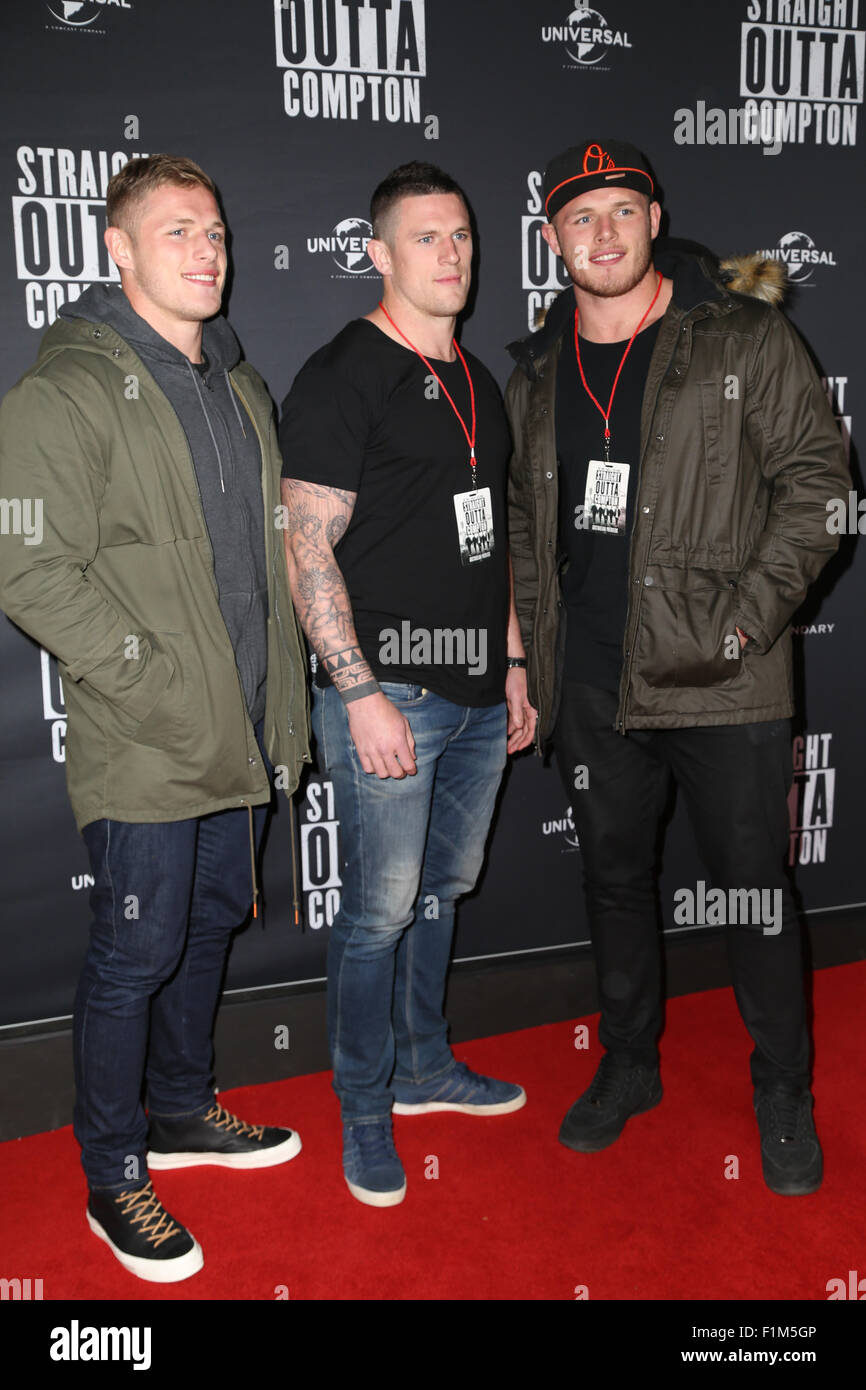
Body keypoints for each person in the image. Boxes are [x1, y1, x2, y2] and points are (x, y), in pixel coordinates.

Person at [505, 138, 850, 1196]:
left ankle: (780, 1090)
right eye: (577, 217)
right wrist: (525, 655)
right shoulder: (533, 366)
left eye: (620, 210)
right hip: (595, 683)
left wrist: (744, 627)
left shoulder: (743, 336)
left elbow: (817, 489)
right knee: (612, 883)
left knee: (751, 894)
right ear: (552, 237)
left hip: (724, 680)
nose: (599, 234)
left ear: (653, 219)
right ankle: (626, 1064)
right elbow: (525, 524)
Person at [0, 155, 310, 1281]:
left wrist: (272, 699)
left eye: (216, 228)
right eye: (177, 229)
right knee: (134, 948)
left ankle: (181, 1111)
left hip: (245, 725)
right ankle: (112, 1171)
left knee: (211, 918)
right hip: (148, 735)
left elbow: (263, 565)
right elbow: (28, 566)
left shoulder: (238, 385)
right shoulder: (67, 389)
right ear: (116, 250)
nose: (208, 247)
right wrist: (155, 678)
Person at [279, 161, 535, 1208]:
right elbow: (306, 545)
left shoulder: (475, 380)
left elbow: (493, 538)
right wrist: (359, 691)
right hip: (392, 695)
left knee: (439, 890)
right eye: (425, 238)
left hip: (478, 697)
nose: (451, 254)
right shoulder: (346, 370)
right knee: (376, 913)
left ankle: (425, 1064)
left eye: (462, 235)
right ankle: (363, 1107)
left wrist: (513, 662)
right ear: (378, 254)